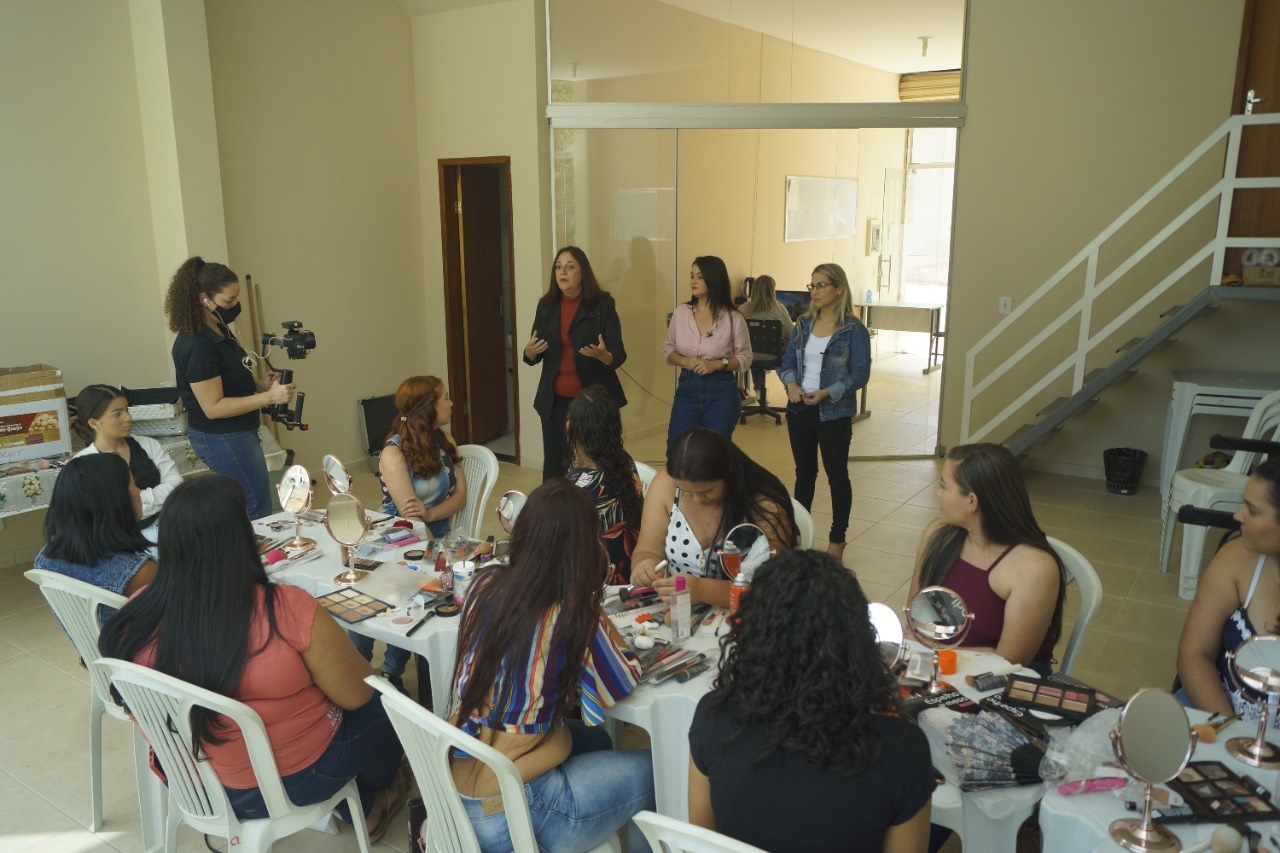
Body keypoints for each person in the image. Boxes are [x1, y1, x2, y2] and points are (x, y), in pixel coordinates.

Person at [98, 476, 409, 843]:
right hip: (296, 782)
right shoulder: (285, 608)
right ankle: (372, 800)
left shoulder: (132, 619)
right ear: (241, 539)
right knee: (386, 703)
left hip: (190, 781)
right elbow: (358, 695)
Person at [449, 479, 655, 852]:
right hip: (517, 814)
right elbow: (623, 678)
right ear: (583, 548)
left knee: (597, 740)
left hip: (459, 792)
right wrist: (590, 597)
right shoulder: (572, 613)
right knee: (658, 772)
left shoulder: (485, 582)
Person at [689, 550, 934, 852]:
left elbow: (700, 843)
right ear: (856, 641)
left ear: (752, 633)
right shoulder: (903, 751)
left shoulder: (713, 717)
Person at [909, 443, 1065, 672]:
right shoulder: (938, 534)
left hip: (1003, 680)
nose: (938, 492)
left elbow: (1010, 660)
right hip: (940, 665)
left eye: (944, 486)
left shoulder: (1034, 567)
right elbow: (916, 619)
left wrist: (932, 653)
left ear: (971, 501)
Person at [164, 257, 293, 518]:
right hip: (222, 436)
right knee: (257, 507)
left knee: (254, 502)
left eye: (236, 298)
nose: (235, 306)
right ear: (204, 299)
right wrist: (269, 398)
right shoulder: (197, 345)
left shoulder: (218, 326)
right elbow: (213, 407)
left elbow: (228, 379)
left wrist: (259, 385)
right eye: (228, 301)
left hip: (238, 431)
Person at [365, 375, 468, 691]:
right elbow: (409, 518)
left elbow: (461, 496)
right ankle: (382, 669)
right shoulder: (393, 453)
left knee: (446, 584)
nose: (451, 403)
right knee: (411, 587)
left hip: (437, 535)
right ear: (427, 409)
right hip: (400, 538)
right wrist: (430, 529)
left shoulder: (445, 441)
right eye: (445, 398)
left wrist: (432, 515)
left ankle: (399, 668)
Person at [630, 427, 796, 607]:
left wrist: (702, 590)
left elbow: (771, 588)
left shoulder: (764, 504)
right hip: (679, 611)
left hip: (745, 613)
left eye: (706, 491)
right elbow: (648, 549)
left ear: (728, 476)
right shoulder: (666, 484)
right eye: (686, 491)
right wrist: (644, 566)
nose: (697, 499)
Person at [779, 263, 871, 562]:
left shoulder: (853, 330)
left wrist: (827, 392)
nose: (814, 292)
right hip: (799, 409)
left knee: (837, 476)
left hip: (833, 412)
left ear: (838, 289)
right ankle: (797, 534)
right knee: (804, 475)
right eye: (812, 286)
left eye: (821, 286)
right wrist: (791, 385)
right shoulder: (803, 324)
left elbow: (860, 374)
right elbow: (786, 361)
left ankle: (837, 539)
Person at [1177, 458, 1280, 721]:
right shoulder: (1236, 559)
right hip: (1217, 714)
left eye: (1253, 510)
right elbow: (1194, 653)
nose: (1238, 515)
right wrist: (1229, 732)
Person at [523, 247, 627, 481]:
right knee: (554, 463)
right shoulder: (546, 306)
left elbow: (618, 354)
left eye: (570, 267)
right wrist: (529, 353)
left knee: (599, 460)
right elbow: (534, 351)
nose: (563, 272)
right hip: (555, 400)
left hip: (592, 401)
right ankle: (554, 514)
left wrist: (603, 355)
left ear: (583, 272)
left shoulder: (603, 305)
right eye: (558, 267)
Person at [34, 454, 157, 622]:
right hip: (147, 648)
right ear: (116, 500)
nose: (140, 491)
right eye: (134, 484)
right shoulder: (140, 573)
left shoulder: (46, 559)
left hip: (95, 647)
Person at [662, 255, 752, 450]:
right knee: (677, 450)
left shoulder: (733, 318)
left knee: (714, 454)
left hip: (721, 390)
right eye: (691, 276)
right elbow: (668, 351)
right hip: (688, 388)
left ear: (714, 279)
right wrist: (685, 361)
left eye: (700, 277)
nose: (693, 281)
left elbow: (745, 358)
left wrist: (719, 364)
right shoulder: (681, 313)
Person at [564, 385, 644, 584]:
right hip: (630, 572)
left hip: (594, 583)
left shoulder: (578, 488)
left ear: (569, 427)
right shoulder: (625, 462)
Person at [72, 383, 183, 527]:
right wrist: (156, 501)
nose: (128, 418)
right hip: (119, 538)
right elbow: (103, 513)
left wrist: (138, 502)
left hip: (164, 525)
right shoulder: (83, 463)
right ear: (94, 423)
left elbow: (175, 484)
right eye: (117, 414)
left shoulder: (148, 444)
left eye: (127, 410)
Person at [738, 274, 794, 403]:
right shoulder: (779, 309)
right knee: (788, 351)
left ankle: (758, 391)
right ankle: (791, 390)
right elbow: (791, 334)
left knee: (755, 350)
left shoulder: (743, 308)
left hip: (749, 358)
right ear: (772, 290)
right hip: (773, 357)